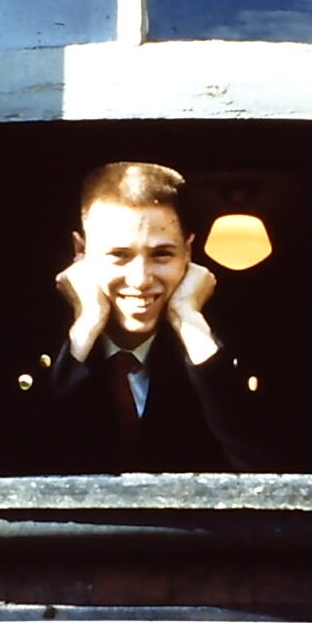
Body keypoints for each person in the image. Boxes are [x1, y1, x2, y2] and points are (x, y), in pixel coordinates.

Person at [39, 161, 276, 473]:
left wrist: (189, 321)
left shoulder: (225, 346)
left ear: (188, 253)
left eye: (161, 254)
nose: (140, 279)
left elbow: (267, 469)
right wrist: (85, 327)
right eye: (119, 255)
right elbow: (19, 457)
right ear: (80, 251)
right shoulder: (34, 342)